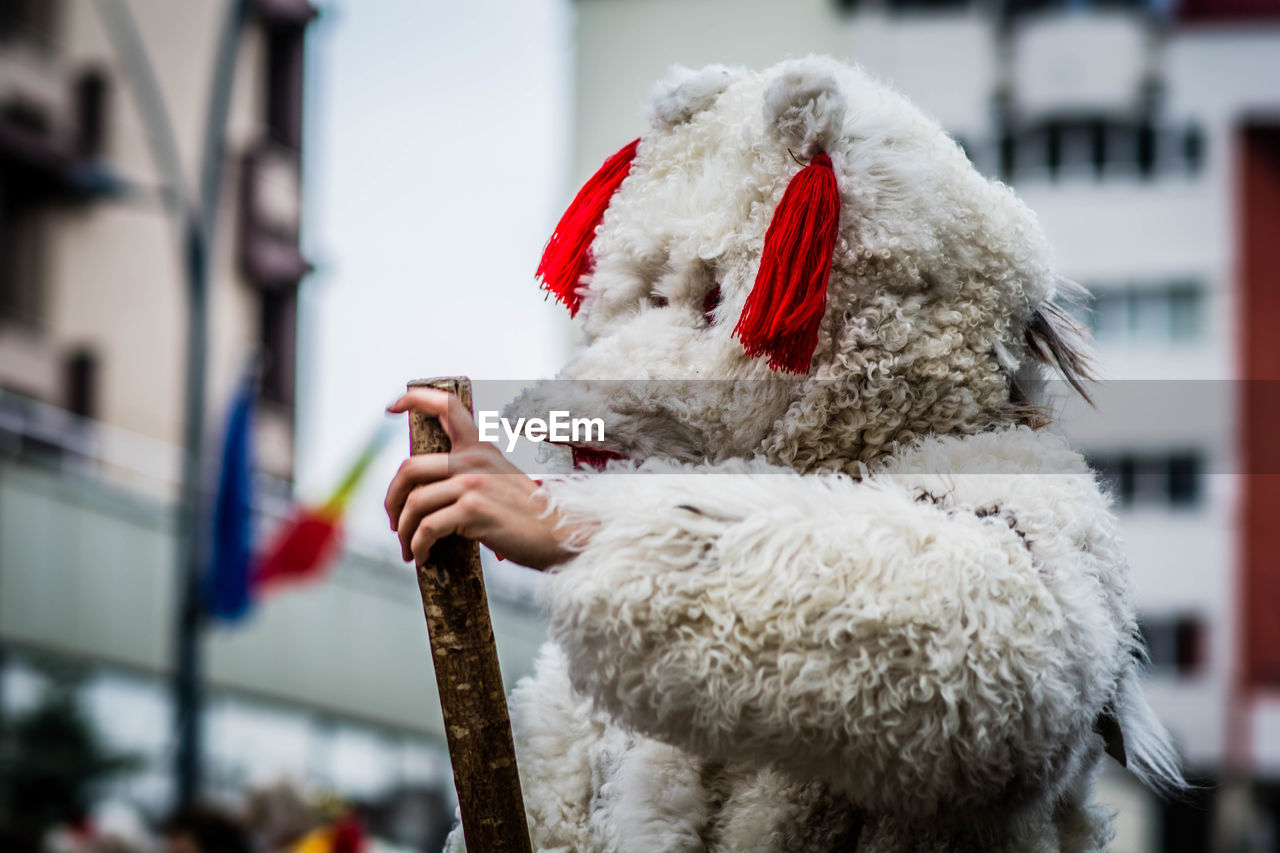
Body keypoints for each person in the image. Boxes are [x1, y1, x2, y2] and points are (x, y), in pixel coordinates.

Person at [384, 56, 1184, 852]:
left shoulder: (1022, 506)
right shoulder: (622, 636)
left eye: (704, 306)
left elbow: (988, 666)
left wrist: (593, 532)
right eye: (648, 301)